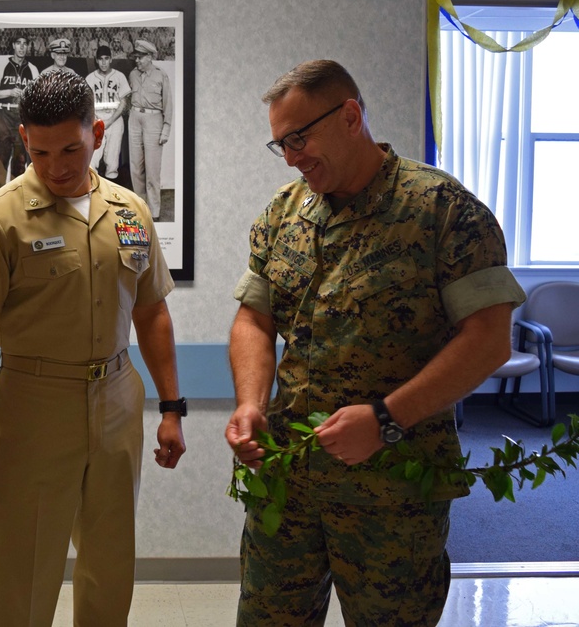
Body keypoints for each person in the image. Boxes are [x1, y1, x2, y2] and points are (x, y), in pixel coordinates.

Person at [225, 59, 525, 626]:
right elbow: (254, 320)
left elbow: (488, 340)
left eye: (299, 138)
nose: (290, 157)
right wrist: (249, 402)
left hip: (394, 493)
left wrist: (386, 418)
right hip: (288, 483)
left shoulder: (442, 212)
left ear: (351, 116)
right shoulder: (282, 214)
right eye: (280, 145)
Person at [0, 70, 187, 626]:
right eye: (40, 152)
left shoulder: (131, 213)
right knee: (24, 561)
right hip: (35, 404)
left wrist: (171, 407)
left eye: (72, 148)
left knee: (111, 560)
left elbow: (151, 312)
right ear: (24, 139)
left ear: (97, 131)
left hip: (117, 399)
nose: (57, 165)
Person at [0, 34, 40, 195]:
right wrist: (9, 91)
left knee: (20, 159)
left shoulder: (33, 69)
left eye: (25, 43)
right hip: (4, 112)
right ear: (13, 46)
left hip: (22, 116)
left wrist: (27, 96)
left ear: (28, 46)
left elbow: (37, 96)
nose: (22, 47)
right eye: (18, 43)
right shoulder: (2, 65)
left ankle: (16, 198)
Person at [127, 39, 172, 220]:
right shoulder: (132, 75)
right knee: (136, 167)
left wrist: (166, 128)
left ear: (150, 57)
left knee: (152, 169)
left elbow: (168, 104)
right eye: (136, 57)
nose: (137, 60)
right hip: (135, 118)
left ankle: (154, 212)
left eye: (140, 57)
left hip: (154, 120)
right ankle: (140, 207)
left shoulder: (161, 75)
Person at [85, 45, 132, 180]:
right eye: (100, 59)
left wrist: (110, 121)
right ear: (96, 60)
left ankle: (110, 195)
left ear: (111, 59)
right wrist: (96, 119)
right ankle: (93, 191)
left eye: (106, 58)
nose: (104, 62)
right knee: (92, 159)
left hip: (115, 120)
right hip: (96, 120)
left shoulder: (119, 76)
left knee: (112, 161)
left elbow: (124, 102)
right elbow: (87, 103)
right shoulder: (90, 78)